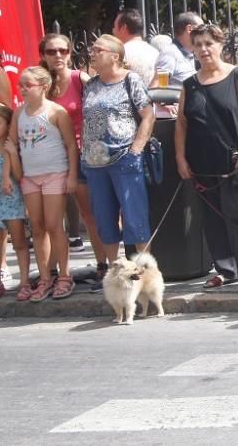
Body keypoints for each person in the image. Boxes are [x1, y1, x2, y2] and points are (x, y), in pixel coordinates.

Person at [176, 23, 238, 289]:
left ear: (220, 46)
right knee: (212, 219)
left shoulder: (237, 76)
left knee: (237, 217)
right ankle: (225, 269)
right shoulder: (189, 85)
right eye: (198, 45)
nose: (203, 50)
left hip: (234, 162)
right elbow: (181, 123)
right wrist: (181, 158)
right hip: (201, 163)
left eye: (208, 44)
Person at [81, 35, 155, 287]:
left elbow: (148, 115)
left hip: (124, 157)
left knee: (135, 217)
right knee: (104, 218)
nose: (92, 53)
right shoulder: (90, 85)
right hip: (94, 163)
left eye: (98, 49)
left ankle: (144, 272)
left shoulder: (129, 80)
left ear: (115, 55)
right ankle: (116, 274)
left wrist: (137, 148)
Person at [7, 66, 78, 301]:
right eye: (21, 85)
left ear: (43, 86)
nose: (23, 89)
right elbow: (11, 145)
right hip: (30, 176)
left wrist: (71, 175)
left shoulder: (56, 112)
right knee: (36, 227)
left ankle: (65, 276)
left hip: (54, 174)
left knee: (53, 225)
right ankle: (45, 277)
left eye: (28, 85)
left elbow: (70, 145)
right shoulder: (19, 113)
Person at [39, 33, 107, 273]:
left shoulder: (81, 79)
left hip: (81, 154)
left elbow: (101, 111)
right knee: (51, 221)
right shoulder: (41, 85)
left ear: (70, 53)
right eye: (51, 51)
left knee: (89, 214)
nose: (58, 55)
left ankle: (102, 265)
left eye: (63, 50)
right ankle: (54, 273)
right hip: (51, 157)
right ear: (43, 56)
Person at [0, 104, 29, 301]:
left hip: (12, 199)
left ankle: (25, 282)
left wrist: (12, 155)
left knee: (19, 242)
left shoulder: (11, 146)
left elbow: (19, 176)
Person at [154, 12, 204, 86]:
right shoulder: (170, 54)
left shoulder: (193, 53)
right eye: (201, 28)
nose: (204, 33)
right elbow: (159, 87)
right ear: (189, 29)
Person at [113, 9, 160, 86]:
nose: (113, 31)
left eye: (114, 27)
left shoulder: (120, 54)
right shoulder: (155, 52)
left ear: (124, 27)